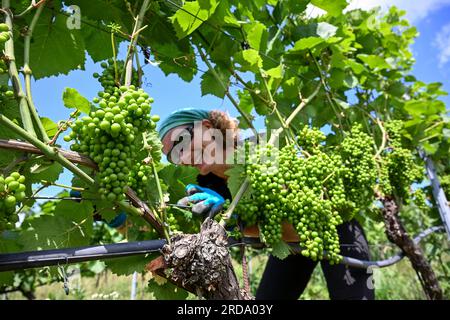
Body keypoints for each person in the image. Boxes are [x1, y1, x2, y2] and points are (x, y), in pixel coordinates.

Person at [158, 108, 375, 300]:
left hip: (335, 229)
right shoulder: (205, 184)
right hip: (288, 243)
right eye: (173, 156)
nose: (183, 156)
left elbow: (299, 224)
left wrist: (236, 218)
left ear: (206, 127)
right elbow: (273, 232)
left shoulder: (261, 150)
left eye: (182, 142)